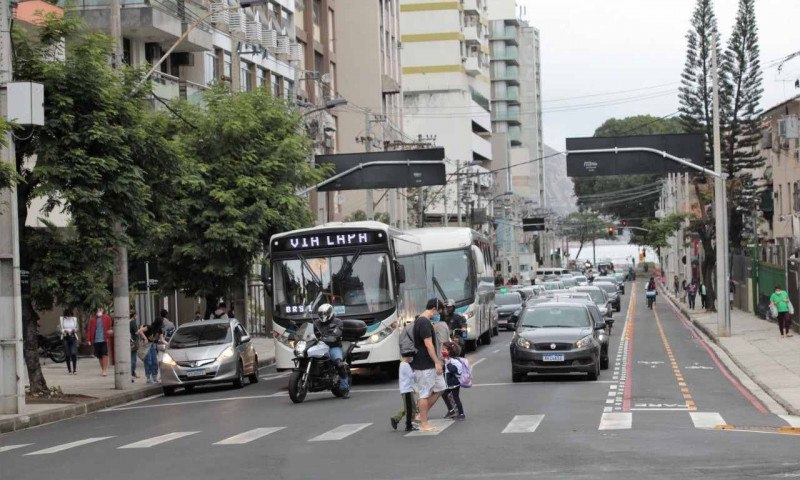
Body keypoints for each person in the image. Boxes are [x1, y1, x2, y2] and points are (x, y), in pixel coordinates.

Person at [410, 298, 446, 432]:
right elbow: (428, 344)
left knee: (441, 386)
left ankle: (421, 415)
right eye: (439, 312)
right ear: (434, 309)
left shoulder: (423, 321)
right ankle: (424, 423)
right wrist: (437, 362)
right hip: (424, 364)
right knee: (424, 394)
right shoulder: (424, 322)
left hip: (428, 363)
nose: (438, 315)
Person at [316, 303, 349, 395]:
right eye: (321, 313)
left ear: (330, 313)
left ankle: (345, 388)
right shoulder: (316, 323)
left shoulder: (337, 322)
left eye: (325, 313)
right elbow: (310, 332)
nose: (323, 315)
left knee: (339, 364)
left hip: (333, 346)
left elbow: (337, 333)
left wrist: (331, 337)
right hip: (319, 346)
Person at [389, 355, 418, 432]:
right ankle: (408, 424)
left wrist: (412, 387)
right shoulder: (405, 365)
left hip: (408, 388)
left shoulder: (404, 364)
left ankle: (398, 419)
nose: (411, 358)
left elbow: (408, 378)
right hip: (406, 389)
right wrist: (417, 371)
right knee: (409, 408)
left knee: (412, 407)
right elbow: (411, 376)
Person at [86, 306, 113, 377]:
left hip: (104, 339)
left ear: (103, 310)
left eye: (100, 309)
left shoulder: (107, 318)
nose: (99, 310)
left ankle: (104, 370)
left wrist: (109, 334)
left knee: (105, 354)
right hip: (96, 340)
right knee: (99, 356)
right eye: (98, 309)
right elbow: (89, 330)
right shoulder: (92, 320)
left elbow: (110, 327)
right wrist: (88, 339)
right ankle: (103, 369)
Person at [441, 341, 465, 421]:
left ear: (449, 351)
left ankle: (461, 414)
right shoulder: (448, 359)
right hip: (449, 383)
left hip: (454, 383)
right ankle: (451, 411)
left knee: (456, 398)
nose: (442, 351)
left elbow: (453, 370)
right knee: (444, 394)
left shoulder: (454, 361)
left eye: (444, 349)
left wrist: (447, 363)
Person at [137, 316, 165, 384]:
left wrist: (168, 344)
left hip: (153, 346)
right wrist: (145, 338)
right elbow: (140, 331)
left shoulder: (159, 330)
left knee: (155, 362)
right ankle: (148, 378)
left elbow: (162, 339)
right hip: (146, 346)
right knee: (148, 361)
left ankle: (154, 377)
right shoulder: (150, 327)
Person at [59, 308, 79, 375]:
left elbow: (77, 328)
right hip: (65, 337)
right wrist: (64, 331)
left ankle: (75, 369)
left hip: (73, 337)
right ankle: (69, 370)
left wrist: (74, 330)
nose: (69, 316)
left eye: (70, 315)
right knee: (67, 354)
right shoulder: (62, 319)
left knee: (73, 353)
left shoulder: (74, 319)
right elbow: (59, 328)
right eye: (67, 315)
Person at [129, 311, 140, 382]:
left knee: (131, 357)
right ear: (134, 315)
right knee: (133, 358)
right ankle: (132, 372)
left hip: (129, 341)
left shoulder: (127, 321)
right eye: (136, 315)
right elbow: (136, 332)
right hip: (134, 341)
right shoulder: (133, 322)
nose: (137, 317)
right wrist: (141, 329)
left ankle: (133, 373)